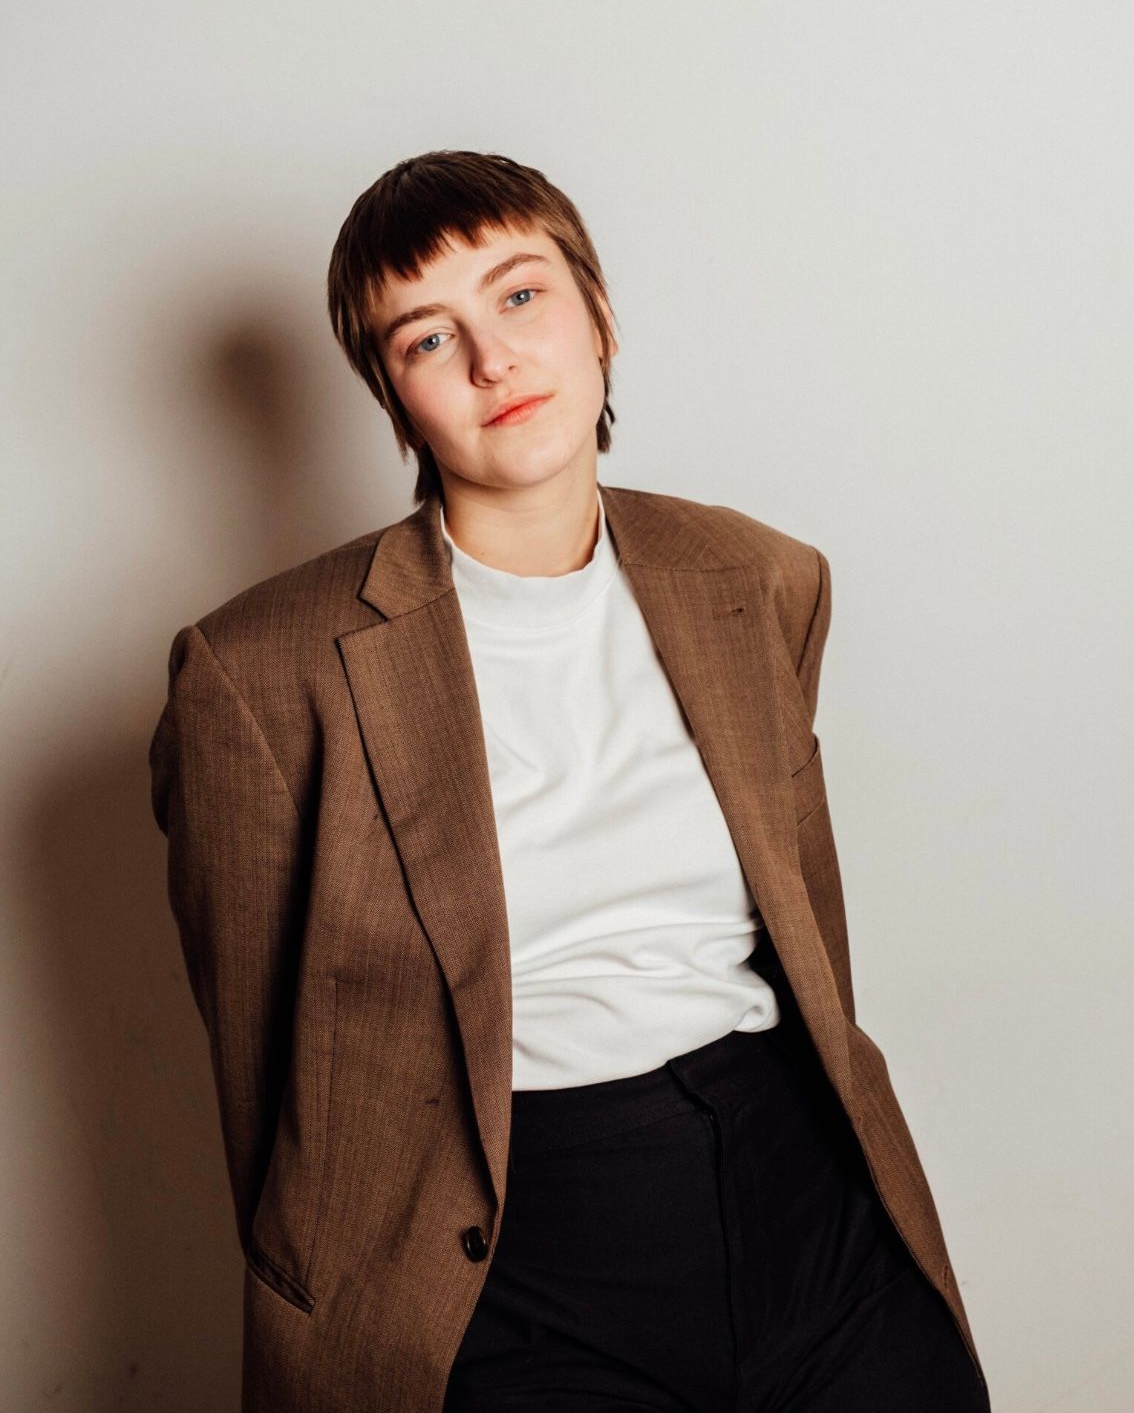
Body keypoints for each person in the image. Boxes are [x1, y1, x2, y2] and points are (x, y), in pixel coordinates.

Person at [149, 150, 991, 1412]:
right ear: (394, 397)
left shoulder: (757, 578)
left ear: (598, 313)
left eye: (520, 295)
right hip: (510, 1257)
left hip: (807, 1195)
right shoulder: (261, 673)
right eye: (430, 336)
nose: (494, 359)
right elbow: (268, 1084)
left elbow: (806, 926)